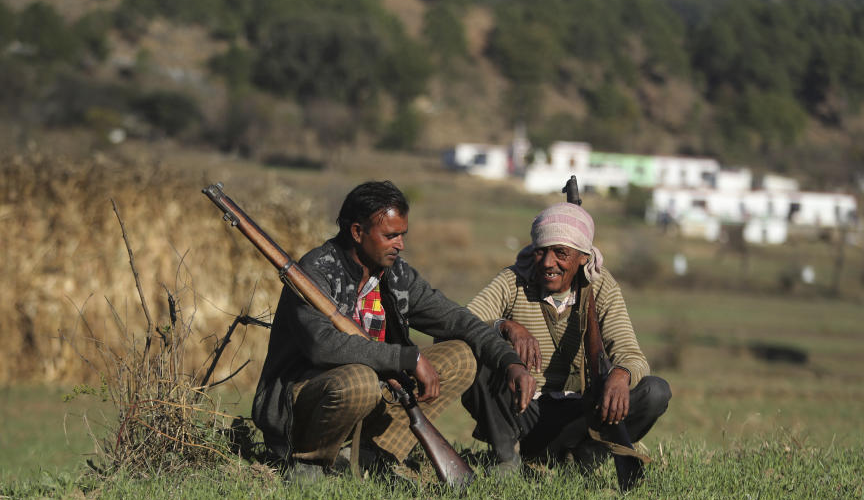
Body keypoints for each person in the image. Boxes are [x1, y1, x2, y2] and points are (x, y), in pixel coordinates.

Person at [254, 180, 536, 480]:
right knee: (360, 379)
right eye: (390, 235)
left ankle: (369, 455)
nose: (400, 244)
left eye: (402, 235)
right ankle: (310, 461)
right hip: (302, 403)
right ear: (357, 232)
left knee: (461, 357)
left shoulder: (397, 275)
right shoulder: (315, 272)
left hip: (371, 397)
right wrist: (406, 358)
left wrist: (510, 361)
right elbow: (322, 346)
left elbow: (457, 319)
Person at [463, 201, 671, 477]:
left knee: (655, 391)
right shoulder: (513, 281)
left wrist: (621, 375)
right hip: (523, 412)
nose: (548, 263)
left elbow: (631, 354)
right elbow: (464, 323)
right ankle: (505, 457)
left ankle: (588, 454)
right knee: (476, 354)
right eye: (541, 252)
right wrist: (504, 326)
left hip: (580, 413)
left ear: (583, 257)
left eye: (560, 253)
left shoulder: (601, 286)